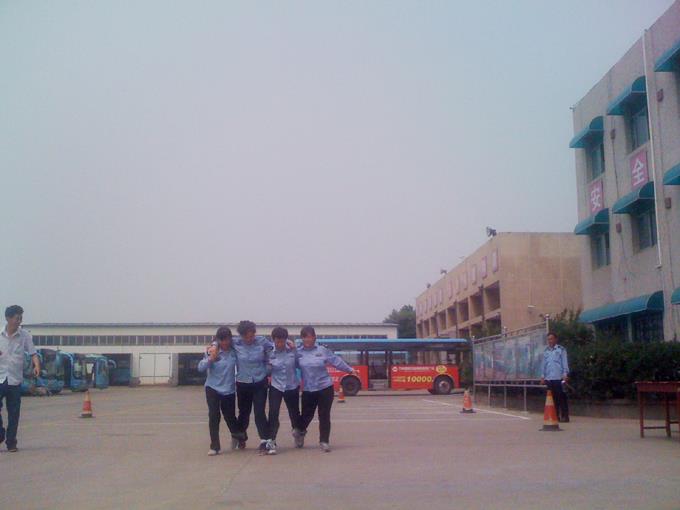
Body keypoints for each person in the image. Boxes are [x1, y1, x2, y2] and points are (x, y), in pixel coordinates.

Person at [296, 326, 353, 452]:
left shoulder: (322, 350)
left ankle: (324, 441)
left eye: (310, 336)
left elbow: (336, 361)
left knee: (324, 415)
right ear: (302, 338)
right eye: (305, 337)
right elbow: (289, 365)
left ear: (314, 337)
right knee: (307, 415)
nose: (308, 339)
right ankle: (300, 432)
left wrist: (349, 369)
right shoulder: (297, 353)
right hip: (308, 389)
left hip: (325, 387)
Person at [197, 326, 243, 456]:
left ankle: (238, 436)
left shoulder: (234, 351)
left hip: (229, 389)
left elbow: (243, 340)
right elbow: (200, 368)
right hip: (212, 388)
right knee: (214, 416)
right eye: (222, 340)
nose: (225, 343)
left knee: (230, 417)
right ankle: (215, 446)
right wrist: (210, 359)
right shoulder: (212, 351)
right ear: (218, 340)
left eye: (227, 339)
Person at [0, 305, 40, 452]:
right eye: (17, 318)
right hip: (0, 378)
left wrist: (37, 366)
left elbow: (33, 353)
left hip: (15, 380)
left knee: (14, 413)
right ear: (8, 318)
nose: (19, 321)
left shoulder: (25, 336)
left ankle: (11, 443)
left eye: (21, 318)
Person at [233, 320, 275, 454]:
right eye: (246, 337)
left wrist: (268, 368)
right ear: (241, 335)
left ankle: (265, 440)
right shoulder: (235, 343)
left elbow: (274, 349)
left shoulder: (262, 341)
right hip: (243, 382)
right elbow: (219, 340)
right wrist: (214, 345)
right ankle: (241, 436)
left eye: (252, 336)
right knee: (244, 412)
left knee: (259, 412)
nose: (249, 339)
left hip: (259, 382)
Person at [266, 327, 303, 454]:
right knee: (273, 413)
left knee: (294, 413)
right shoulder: (269, 352)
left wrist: (296, 350)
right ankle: (272, 440)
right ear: (273, 340)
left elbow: (301, 364)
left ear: (286, 339)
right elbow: (266, 370)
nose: (280, 344)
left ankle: (297, 434)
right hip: (276, 386)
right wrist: (268, 367)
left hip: (291, 386)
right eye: (277, 341)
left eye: (282, 341)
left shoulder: (292, 351)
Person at [541, 332, 570, 423]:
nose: (550, 341)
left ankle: (565, 416)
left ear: (555, 339)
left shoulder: (561, 349)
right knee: (552, 399)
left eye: (551, 339)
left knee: (562, 397)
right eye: (548, 339)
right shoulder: (545, 351)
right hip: (549, 378)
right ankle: (555, 416)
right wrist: (542, 376)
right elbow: (543, 365)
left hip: (559, 378)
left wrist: (565, 374)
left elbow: (564, 362)